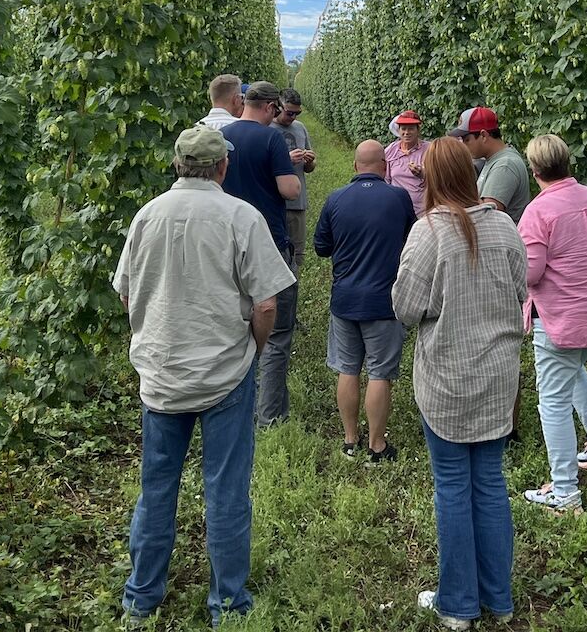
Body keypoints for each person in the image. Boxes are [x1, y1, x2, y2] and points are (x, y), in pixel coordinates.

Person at [111, 125, 295, 626]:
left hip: (162, 375)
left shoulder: (147, 215)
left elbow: (126, 293)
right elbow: (266, 302)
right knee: (226, 490)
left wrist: (154, 337)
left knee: (157, 487)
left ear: (177, 164)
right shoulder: (240, 215)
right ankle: (228, 605)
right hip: (223, 374)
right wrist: (252, 351)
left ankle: (141, 598)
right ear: (222, 167)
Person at [392, 139, 527, 631]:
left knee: (452, 487)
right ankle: (499, 597)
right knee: (490, 484)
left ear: (430, 179)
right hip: (497, 379)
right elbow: (520, 289)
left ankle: (458, 605)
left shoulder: (428, 233)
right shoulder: (505, 227)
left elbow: (405, 308)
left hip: (447, 378)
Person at [514, 134, 587, 514]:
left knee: (553, 403)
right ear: (567, 162)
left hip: (563, 320)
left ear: (534, 170)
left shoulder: (538, 212)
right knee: (572, 369)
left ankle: (564, 492)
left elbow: (531, 273)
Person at [313, 139, 416, 463]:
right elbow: (411, 240)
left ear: (355, 166)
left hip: (345, 299)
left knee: (348, 369)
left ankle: (349, 439)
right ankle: (376, 445)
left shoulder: (336, 199)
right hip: (384, 302)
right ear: (385, 168)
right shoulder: (399, 197)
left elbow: (321, 247)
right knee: (380, 373)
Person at [222, 80, 301, 427]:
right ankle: (269, 415)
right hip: (267, 241)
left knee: (231, 326)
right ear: (270, 107)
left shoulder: (223, 135)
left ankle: (230, 405)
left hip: (225, 244)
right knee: (277, 335)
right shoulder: (270, 138)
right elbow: (288, 188)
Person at [452, 107, 530, 222]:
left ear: (483, 135)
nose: (463, 145)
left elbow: (488, 216)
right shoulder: (494, 160)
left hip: (505, 238)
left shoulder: (504, 165)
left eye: (466, 139)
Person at [274, 88, 317, 274]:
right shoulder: (267, 129)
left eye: (297, 113)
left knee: (296, 253)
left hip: (297, 203)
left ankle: (292, 293)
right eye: (289, 112)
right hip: (275, 201)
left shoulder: (300, 128)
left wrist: (309, 161)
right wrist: (286, 159)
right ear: (277, 106)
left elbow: (310, 168)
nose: (292, 117)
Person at [383, 110, 429, 217]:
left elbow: (439, 179)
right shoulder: (391, 150)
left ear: (418, 130)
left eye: (411, 128)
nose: (406, 132)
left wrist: (422, 174)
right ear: (398, 131)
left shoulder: (429, 150)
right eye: (403, 129)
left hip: (423, 211)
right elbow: (386, 180)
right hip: (398, 208)